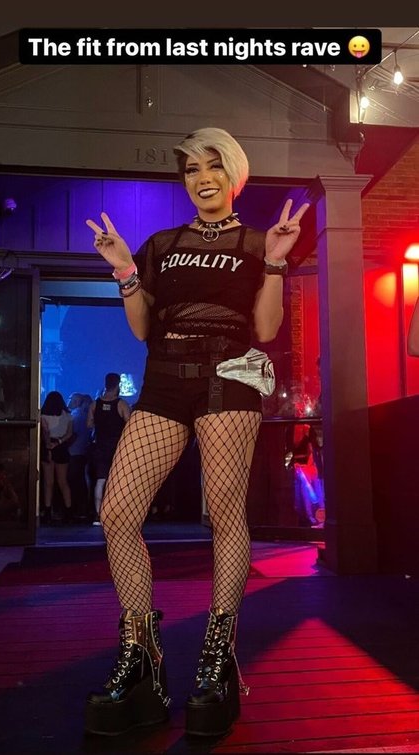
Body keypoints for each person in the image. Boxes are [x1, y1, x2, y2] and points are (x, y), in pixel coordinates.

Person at [84, 127, 309, 737]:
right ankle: (141, 655)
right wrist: (126, 269)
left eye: (213, 166)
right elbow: (141, 329)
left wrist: (276, 261)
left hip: (228, 377)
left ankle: (217, 659)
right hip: (164, 378)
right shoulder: (163, 243)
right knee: (118, 512)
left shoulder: (258, 241)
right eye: (191, 169)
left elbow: (265, 329)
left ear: (234, 174)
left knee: (226, 514)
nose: (202, 178)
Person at [87, 373, 131, 525]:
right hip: (117, 447)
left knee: (100, 480)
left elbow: (89, 425)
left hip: (100, 446)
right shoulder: (121, 404)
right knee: (118, 481)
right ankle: (116, 514)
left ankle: (98, 514)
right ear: (118, 385)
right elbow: (129, 425)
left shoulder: (95, 404)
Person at [40, 390, 74, 524]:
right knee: (63, 481)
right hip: (62, 447)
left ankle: (47, 512)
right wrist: (59, 442)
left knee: (48, 482)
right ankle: (69, 511)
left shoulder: (43, 415)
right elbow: (70, 433)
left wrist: (49, 445)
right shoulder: (68, 416)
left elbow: (45, 432)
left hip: (48, 446)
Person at [67, 392, 93, 521]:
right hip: (82, 452)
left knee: (74, 482)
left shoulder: (76, 416)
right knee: (81, 481)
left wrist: (63, 444)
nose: (68, 401)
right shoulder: (85, 416)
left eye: (71, 399)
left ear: (77, 401)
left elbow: (73, 435)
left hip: (74, 452)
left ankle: (77, 509)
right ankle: (83, 509)